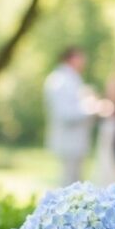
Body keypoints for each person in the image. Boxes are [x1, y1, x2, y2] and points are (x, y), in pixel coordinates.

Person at [43, 46, 94, 186]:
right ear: (72, 58)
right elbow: (65, 113)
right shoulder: (60, 81)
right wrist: (92, 110)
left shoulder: (71, 79)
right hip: (69, 141)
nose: (84, 62)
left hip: (76, 141)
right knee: (68, 183)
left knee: (76, 181)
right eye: (81, 58)